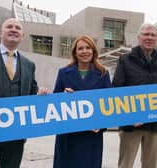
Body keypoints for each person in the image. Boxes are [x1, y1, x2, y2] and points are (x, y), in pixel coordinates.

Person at [53, 35, 111, 168]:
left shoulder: (103, 74)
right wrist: (62, 96)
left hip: (91, 136)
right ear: (75, 52)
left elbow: (109, 105)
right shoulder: (63, 73)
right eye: (80, 48)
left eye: (88, 48)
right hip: (68, 135)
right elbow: (54, 103)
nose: (84, 51)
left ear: (93, 51)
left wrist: (101, 125)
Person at [0, 18, 38, 168]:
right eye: (9, 27)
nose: (14, 29)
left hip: (16, 135)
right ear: (0, 33)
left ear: (22, 35)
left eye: (17, 28)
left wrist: (42, 97)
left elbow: (32, 93)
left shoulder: (29, 65)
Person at [112, 23, 157, 168]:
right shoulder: (125, 60)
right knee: (126, 164)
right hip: (131, 126)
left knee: (150, 165)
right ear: (139, 37)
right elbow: (116, 90)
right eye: (146, 34)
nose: (149, 37)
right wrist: (129, 118)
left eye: (153, 35)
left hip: (154, 125)